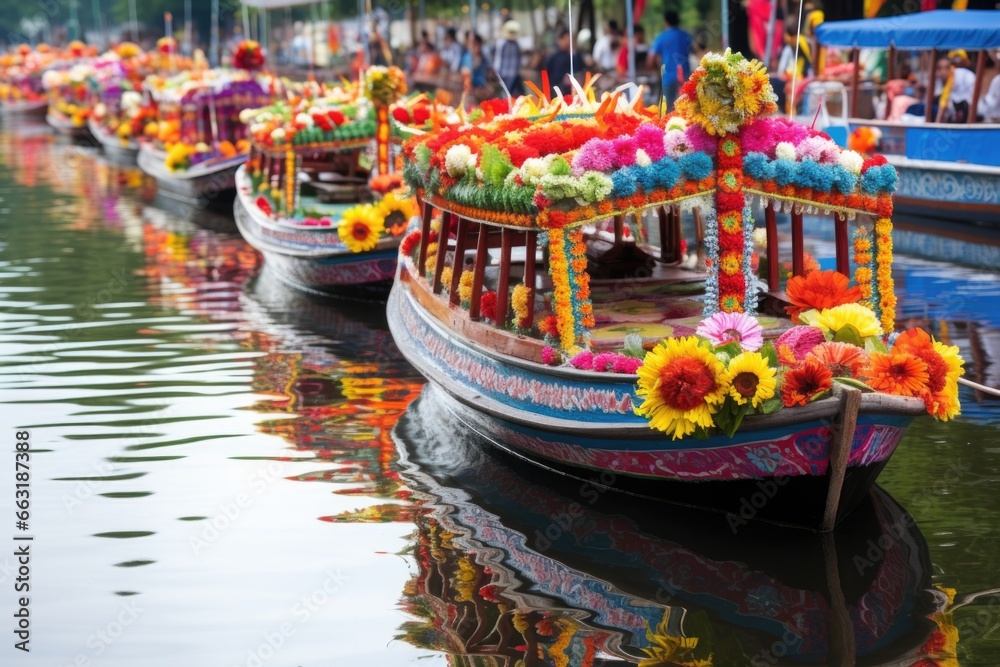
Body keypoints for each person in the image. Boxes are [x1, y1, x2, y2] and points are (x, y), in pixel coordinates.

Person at [647, 10, 692, 109]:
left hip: (668, 77)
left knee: (668, 109)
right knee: (686, 107)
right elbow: (696, 50)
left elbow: (651, 59)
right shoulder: (685, 36)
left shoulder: (662, 37)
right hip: (685, 76)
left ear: (665, 21)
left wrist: (656, 70)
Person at [544, 29, 586, 96]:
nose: (567, 41)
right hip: (558, 88)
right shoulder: (554, 57)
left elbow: (579, 70)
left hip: (574, 87)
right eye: (564, 39)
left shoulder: (576, 55)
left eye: (568, 39)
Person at [494, 20, 523, 96]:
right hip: (504, 74)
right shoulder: (502, 43)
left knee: (515, 94)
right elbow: (499, 58)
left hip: (514, 74)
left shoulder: (516, 43)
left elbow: (518, 58)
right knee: (505, 95)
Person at [461, 33, 492, 102]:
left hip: (482, 90)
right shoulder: (467, 58)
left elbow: (489, 73)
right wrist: (474, 91)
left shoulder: (483, 58)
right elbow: (466, 78)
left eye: (478, 44)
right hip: (471, 92)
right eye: (474, 44)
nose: (476, 47)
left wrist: (488, 86)